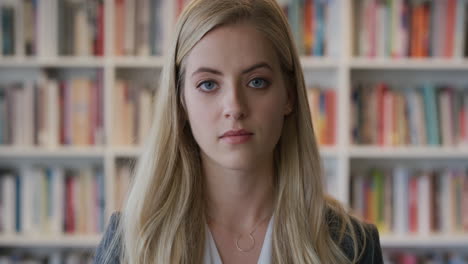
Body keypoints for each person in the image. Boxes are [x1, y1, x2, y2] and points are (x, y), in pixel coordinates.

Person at [93, 0, 384, 263]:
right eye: (208, 84)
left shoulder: (353, 247)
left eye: (257, 82)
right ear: (180, 102)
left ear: (289, 95)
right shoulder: (128, 244)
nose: (234, 107)